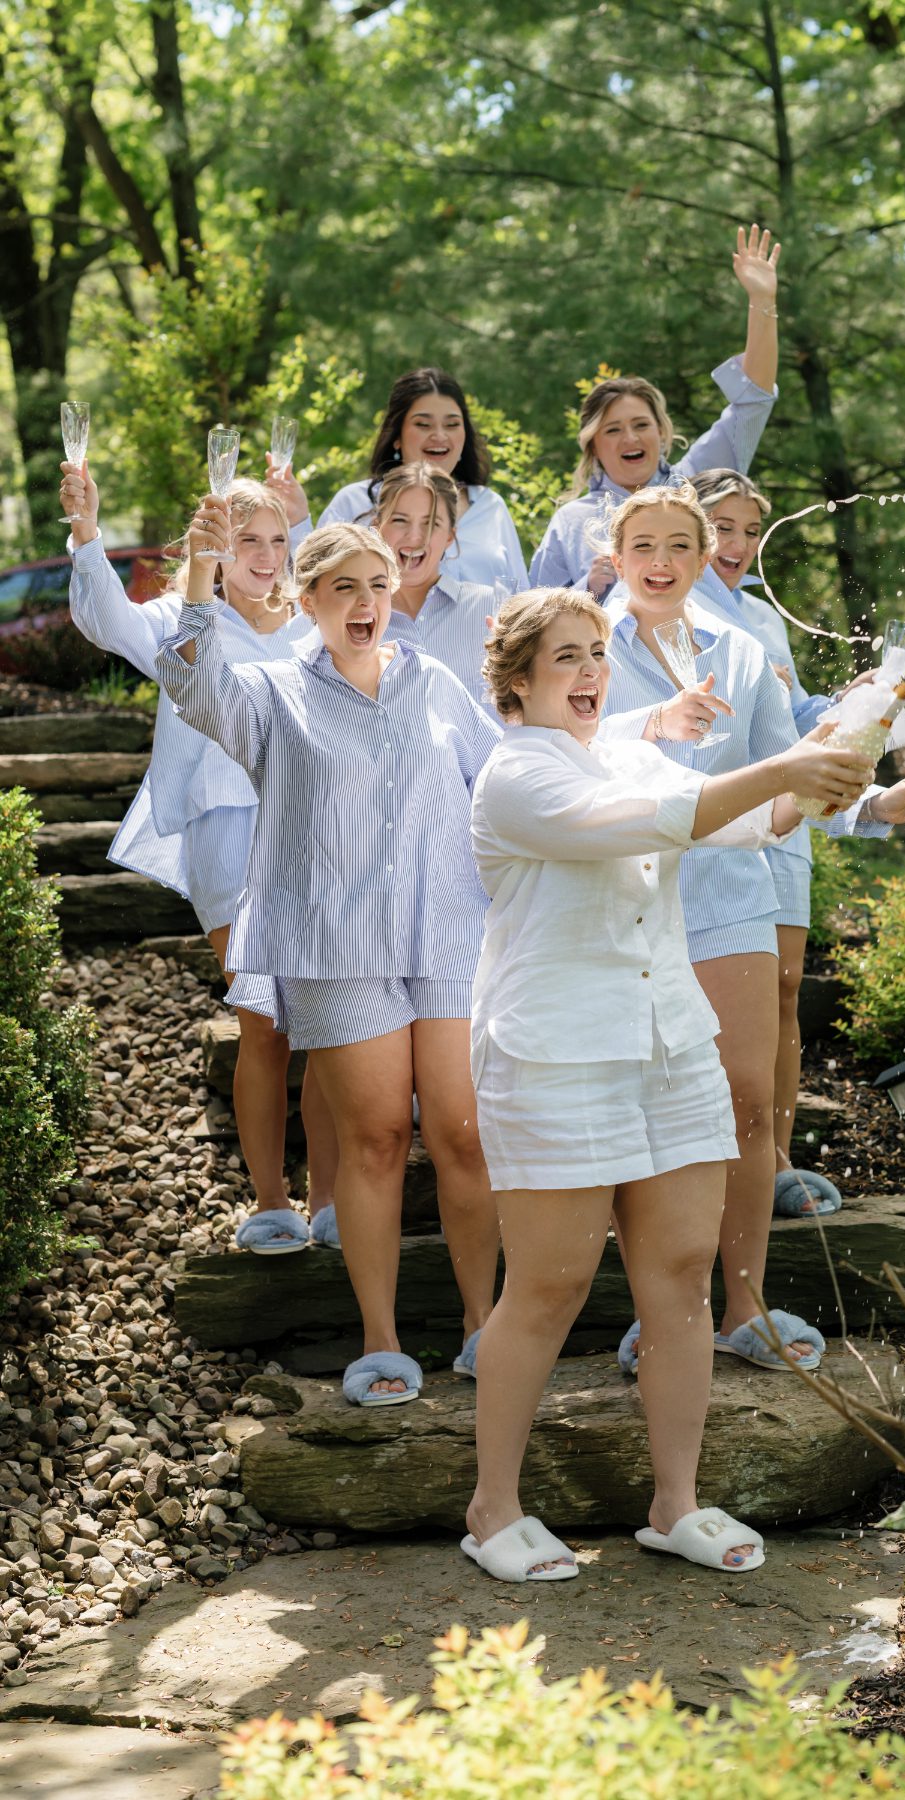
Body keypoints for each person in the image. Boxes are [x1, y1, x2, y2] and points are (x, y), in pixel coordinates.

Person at [464, 586, 877, 1583]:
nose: (590, 672)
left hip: (670, 1045)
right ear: (517, 681)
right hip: (558, 1056)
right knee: (551, 1286)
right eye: (566, 657)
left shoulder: (629, 754)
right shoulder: (516, 775)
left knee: (686, 1275)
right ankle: (492, 1510)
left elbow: (758, 817)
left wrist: (846, 747)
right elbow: (661, 819)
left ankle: (675, 1504)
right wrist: (784, 765)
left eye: (597, 653)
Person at [156, 513, 503, 1405]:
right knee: (377, 1137)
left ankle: (484, 1327)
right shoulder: (271, 692)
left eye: (378, 586)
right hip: (335, 947)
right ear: (305, 599)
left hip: (449, 933)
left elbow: (504, 780)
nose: (365, 602)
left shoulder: (434, 682)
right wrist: (200, 569)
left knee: (464, 1135)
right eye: (344, 587)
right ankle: (382, 1341)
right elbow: (189, 683)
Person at [599, 484, 905, 1375]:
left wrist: (870, 803)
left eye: (681, 545)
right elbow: (560, 757)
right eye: (644, 545)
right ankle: (657, 1311)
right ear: (616, 553)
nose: (662, 562)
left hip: (730, 894)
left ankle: (743, 1304)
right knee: (644, 1108)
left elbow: (783, 777)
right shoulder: (587, 643)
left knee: (749, 1098)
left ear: (703, 553)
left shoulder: (744, 651)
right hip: (623, 902)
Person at [60, 461, 338, 1253]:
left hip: (313, 835)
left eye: (278, 540)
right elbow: (104, 620)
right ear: (212, 545)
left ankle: (331, 1199)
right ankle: (272, 1202)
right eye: (248, 540)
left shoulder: (309, 624)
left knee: (326, 1023)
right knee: (263, 1021)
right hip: (222, 832)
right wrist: (87, 528)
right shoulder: (184, 619)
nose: (266, 555)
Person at [690, 468, 846, 1213]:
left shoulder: (762, 615)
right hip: (713, 824)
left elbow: (796, 714)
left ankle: (777, 1161)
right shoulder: (666, 608)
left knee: (785, 985)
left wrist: (847, 706)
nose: (739, 544)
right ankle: (707, 1163)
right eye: (724, 527)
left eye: (751, 531)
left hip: (783, 820)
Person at [528, 225, 780, 599]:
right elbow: (532, 614)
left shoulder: (694, 485)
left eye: (641, 424)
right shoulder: (572, 522)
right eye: (613, 430)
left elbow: (753, 401)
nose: (630, 438)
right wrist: (588, 588)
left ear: (661, 433)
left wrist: (762, 300)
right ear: (593, 445)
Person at [295, 368, 527, 592]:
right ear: (397, 436)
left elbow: (521, 595)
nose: (439, 435)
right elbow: (310, 588)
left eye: (452, 424)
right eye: (423, 424)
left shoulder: (491, 506)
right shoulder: (353, 503)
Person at [370, 462, 500, 706]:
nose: (415, 536)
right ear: (377, 528)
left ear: (450, 536)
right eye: (400, 520)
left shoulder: (492, 608)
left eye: (431, 524)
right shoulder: (355, 617)